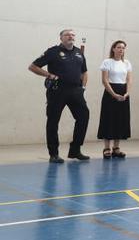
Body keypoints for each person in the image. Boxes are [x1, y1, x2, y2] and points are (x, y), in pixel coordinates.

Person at [28, 29, 91, 163]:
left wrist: (83, 88)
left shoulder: (79, 53)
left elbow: (84, 72)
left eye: (73, 35)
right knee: (53, 121)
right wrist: (49, 75)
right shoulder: (53, 51)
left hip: (76, 91)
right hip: (57, 91)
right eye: (67, 35)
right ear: (61, 38)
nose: (71, 37)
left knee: (84, 117)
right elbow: (33, 66)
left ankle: (75, 150)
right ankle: (54, 154)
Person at [98, 40, 132, 159]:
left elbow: (128, 80)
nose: (121, 49)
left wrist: (127, 92)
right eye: (118, 47)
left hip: (123, 93)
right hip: (110, 93)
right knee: (109, 119)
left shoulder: (127, 63)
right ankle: (107, 148)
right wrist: (113, 94)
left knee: (120, 119)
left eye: (123, 48)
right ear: (113, 49)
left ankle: (116, 148)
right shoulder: (107, 62)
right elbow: (105, 80)